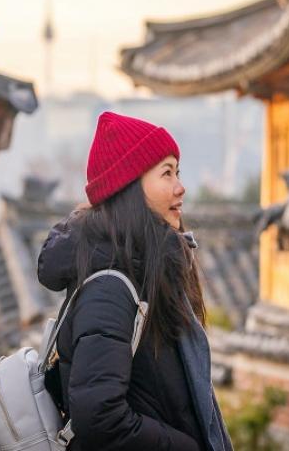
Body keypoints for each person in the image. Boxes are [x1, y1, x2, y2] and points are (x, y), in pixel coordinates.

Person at [37, 112, 233, 451]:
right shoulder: (110, 287)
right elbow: (99, 416)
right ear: (129, 187)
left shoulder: (145, 272)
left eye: (178, 171)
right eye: (166, 173)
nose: (180, 186)